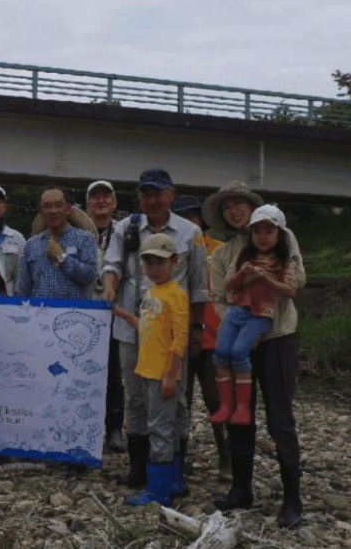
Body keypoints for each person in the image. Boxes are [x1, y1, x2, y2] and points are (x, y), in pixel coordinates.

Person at [202, 181, 306, 529]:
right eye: (227, 205)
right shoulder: (222, 253)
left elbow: (296, 284)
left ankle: (293, 497)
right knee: (239, 413)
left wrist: (257, 330)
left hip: (277, 338)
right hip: (238, 341)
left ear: (253, 208)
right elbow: (218, 297)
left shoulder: (282, 239)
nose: (233, 209)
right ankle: (241, 488)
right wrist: (238, 331)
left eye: (239, 203)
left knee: (280, 417)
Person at [101, 169, 207, 493]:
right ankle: (138, 469)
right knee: (135, 398)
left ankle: (172, 473)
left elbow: (199, 287)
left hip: (171, 334)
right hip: (132, 328)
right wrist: (109, 290)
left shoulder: (190, 233)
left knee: (173, 400)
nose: (153, 199)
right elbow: (111, 266)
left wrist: (197, 331)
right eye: (146, 193)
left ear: (171, 194)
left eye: (158, 192)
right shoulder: (126, 227)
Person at [111, 234, 188, 506]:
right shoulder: (151, 292)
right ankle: (174, 480)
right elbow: (145, 328)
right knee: (166, 424)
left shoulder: (176, 294)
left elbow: (180, 337)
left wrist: (171, 374)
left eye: (160, 262)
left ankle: (158, 491)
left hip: (163, 374)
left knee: (159, 427)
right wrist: (120, 313)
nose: (154, 268)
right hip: (147, 369)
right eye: (149, 262)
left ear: (174, 262)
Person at [211, 205, 298, 427]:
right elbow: (226, 288)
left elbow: (291, 289)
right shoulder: (238, 254)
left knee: (239, 353)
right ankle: (227, 405)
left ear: (279, 234)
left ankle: (241, 407)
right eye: (257, 231)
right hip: (236, 310)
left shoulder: (285, 258)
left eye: (269, 231)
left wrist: (265, 278)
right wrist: (245, 274)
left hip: (263, 316)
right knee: (221, 352)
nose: (262, 236)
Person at [171, 194, 231, 479]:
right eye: (181, 217)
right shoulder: (168, 252)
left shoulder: (220, 250)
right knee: (179, 402)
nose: (188, 222)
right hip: (178, 339)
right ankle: (178, 457)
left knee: (216, 400)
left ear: (201, 220)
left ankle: (226, 457)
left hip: (213, 339)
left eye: (192, 216)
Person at [86, 180, 125, 454]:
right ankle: (83, 426)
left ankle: (114, 429)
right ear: (87, 204)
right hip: (84, 312)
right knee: (81, 373)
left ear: (114, 203)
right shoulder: (77, 231)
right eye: (95, 197)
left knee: (114, 372)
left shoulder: (124, 232)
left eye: (106, 197)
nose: (101, 201)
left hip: (115, 311)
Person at [16, 186, 98, 300]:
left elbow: (90, 276)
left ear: (68, 208)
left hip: (74, 314)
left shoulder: (85, 238)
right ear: (40, 211)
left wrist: (61, 257)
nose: (53, 211)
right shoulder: (31, 244)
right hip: (38, 314)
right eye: (47, 206)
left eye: (58, 205)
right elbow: (24, 289)